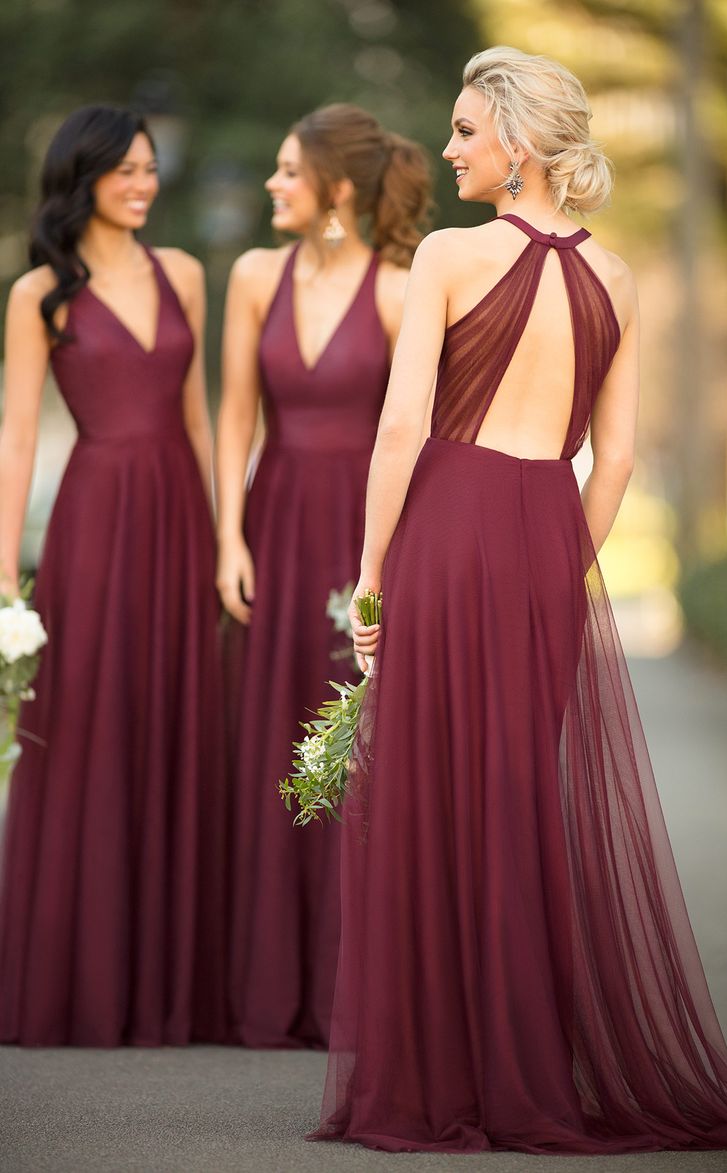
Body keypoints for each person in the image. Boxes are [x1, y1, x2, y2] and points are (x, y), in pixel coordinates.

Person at [314, 48, 727, 1152]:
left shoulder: (451, 255)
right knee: (512, 805)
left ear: (516, 141)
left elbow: (403, 427)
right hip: (550, 534)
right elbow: (623, 455)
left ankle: (431, 1075)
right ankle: (519, 1068)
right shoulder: (621, 277)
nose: (449, 148)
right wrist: (561, 569)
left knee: (422, 798)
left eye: (463, 130)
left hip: (447, 530)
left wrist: (370, 571)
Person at [0, 106, 226, 1046]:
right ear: (81, 177)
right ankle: (78, 983)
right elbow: (16, 436)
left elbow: (202, 415)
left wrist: (228, 535)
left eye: (150, 169)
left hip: (179, 514)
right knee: (88, 726)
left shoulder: (184, 274)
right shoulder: (37, 293)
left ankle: (170, 985)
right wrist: (6, 576)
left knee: (174, 721)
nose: (143, 184)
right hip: (93, 522)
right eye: (125, 171)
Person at [217, 104, 431, 1048]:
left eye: (286, 170)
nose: (272, 184)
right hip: (273, 520)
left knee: (350, 741)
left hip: (357, 535)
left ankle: (356, 987)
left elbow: (416, 432)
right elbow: (233, 417)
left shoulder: (396, 288)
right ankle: (267, 988)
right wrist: (228, 533)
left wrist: (396, 563)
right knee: (270, 734)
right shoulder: (255, 275)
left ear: (337, 188)